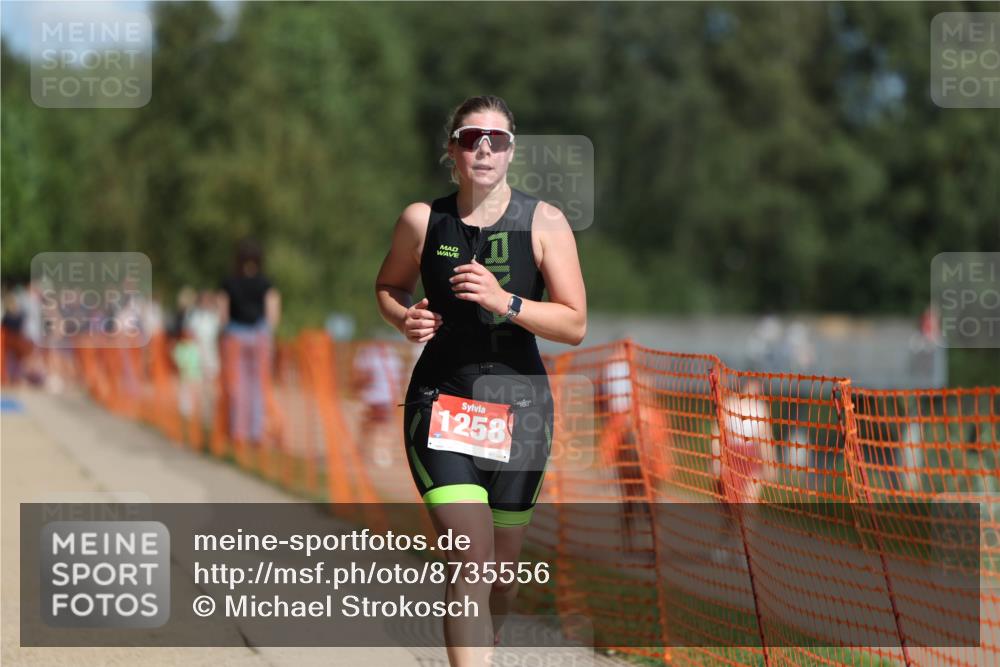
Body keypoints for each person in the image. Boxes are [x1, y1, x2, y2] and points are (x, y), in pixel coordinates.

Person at [375, 95, 586, 667]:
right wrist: (404, 317)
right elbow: (388, 287)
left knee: (501, 569)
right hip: (440, 402)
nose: (484, 148)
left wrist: (506, 300)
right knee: (469, 554)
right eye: (471, 138)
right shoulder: (423, 220)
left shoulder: (544, 222)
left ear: (512, 151)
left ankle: (486, 642)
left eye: (496, 138)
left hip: (522, 413)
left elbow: (574, 322)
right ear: (453, 151)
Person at [219, 239, 281, 456]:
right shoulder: (266, 283)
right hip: (258, 335)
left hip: (235, 335)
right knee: (258, 387)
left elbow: (223, 314)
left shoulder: (229, 282)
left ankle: (238, 432)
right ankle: (256, 433)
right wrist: (265, 334)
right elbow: (273, 313)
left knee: (237, 386)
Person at [351, 338, 404, 468]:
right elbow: (359, 377)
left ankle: (381, 452)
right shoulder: (368, 355)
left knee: (384, 425)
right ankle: (362, 450)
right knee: (368, 424)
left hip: (386, 397)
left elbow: (399, 377)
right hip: (371, 397)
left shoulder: (392, 356)